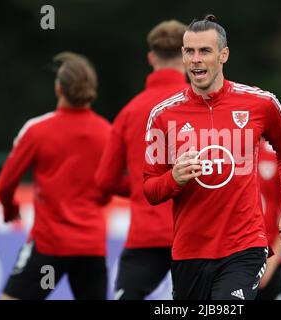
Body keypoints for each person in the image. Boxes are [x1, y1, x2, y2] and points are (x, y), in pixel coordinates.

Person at [143, 14, 281, 300]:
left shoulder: (261, 104)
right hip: (189, 251)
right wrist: (173, 178)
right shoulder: (163, 115)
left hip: (244, 247)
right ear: (182, 55)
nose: (196, 59)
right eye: (189, 51)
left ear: (224, 55)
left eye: (205, 51)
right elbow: (151, 190)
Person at [0, 52, 117, 300]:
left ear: (58, 88)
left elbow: (5, 185)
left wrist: (11, 209)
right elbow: (109, 187)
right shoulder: (108, 133)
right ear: (91, 90)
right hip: (91, 245)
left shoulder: (37, 131)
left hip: (49, 244)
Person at [95, 20, 188, 300]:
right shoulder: (201, 105)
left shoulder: (129, 111)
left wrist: (140, 186)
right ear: (186, 55)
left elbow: (105, 180)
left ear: (151, 57)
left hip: (145, 235)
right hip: (192, 233)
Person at [256, 140, 281, 300]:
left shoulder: (276, 153)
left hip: (266, 256)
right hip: (229, 259)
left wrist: (271, 263)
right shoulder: (222, 149)